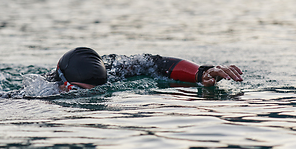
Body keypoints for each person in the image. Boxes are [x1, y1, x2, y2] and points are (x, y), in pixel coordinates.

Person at [46, 47, 243, 92]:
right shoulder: (37, 92)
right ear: (62, 83)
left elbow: (154, 63)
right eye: (76, 90)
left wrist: (200, 73)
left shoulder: (116, 70)